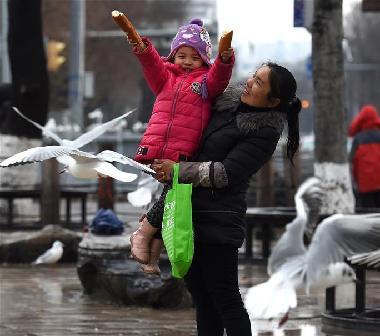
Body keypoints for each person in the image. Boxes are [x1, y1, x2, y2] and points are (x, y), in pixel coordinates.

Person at [140, 63, 301, 336]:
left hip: (219, 223)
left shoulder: (264, 132)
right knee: (202, 299)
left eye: (260, 83)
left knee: (226, 299)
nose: (250, 82)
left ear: (273, 101)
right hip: (188, 214)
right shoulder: (222, 103)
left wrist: (177, 170)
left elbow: (225, 173)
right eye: (254, 76)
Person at [128, 18, 235, 275]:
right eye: (181, 55)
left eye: (195, 57)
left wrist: (224, 60)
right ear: (173, 55)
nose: (187, 62)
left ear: (204, 61)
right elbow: (152, 64)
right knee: (169, 199)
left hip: (183, 152)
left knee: (170, 200)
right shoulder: (165, 79)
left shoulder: (205, 84)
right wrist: (141, 47)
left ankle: (148, 251)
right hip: (159, 148)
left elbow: (220, 78)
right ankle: (144, 240)